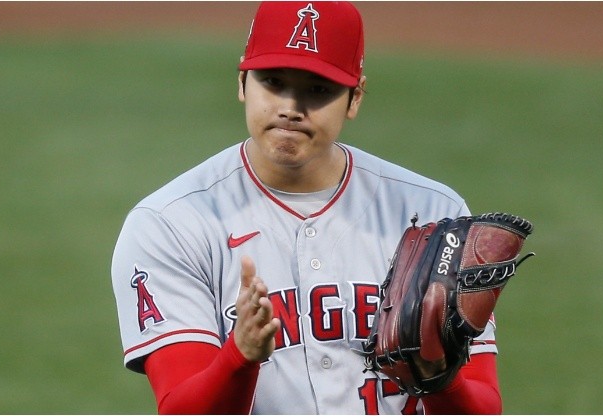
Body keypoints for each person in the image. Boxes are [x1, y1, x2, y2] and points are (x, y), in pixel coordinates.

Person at [111, 2, 502, 414]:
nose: (290, 108)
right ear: (243, 82)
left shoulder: (437, 215)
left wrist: (440, 374)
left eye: (318, 89)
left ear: (354, 98)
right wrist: (239, 356)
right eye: (274, 82)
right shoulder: (172, 223)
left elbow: (483, 407)